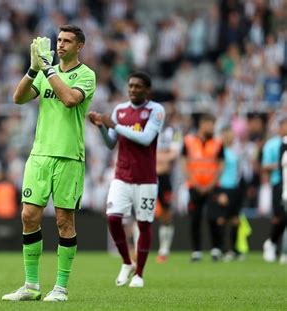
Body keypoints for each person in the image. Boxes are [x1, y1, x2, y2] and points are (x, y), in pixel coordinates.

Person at [2, 25, 96, 302]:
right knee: (28, 216)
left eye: (67, 41)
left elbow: (70, 99)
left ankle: (61, 288)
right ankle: (31, 285)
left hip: (69, 156)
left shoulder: (86, 75)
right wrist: (33, 69)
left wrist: (49, 70)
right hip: (40, 155)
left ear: (79, 46)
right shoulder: (45, 72)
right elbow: (18, 99)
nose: (61, 45)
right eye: (59, 40)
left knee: (64, 221)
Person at [88, 71, 166, 288]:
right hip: (122, 175)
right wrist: (101, 127)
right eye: (130, 86)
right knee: (113, 218)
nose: (132, 89)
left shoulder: (155, 110)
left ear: (147, 90)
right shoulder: (120, 110)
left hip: (146, 178)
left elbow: (146, 138)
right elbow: (111, 143)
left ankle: (139, 273)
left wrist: (113, 125)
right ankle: (126, 262)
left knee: (144, 223)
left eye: (138, 86)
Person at [182, 114, 224, 262]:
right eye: (210, 124)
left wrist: (211, 183)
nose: (212, 128)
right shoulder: (188, 141)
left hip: (212, 186)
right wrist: (194, 182)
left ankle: (216, 249)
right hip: (194, 186)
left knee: (214, 217)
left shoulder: (218, 142)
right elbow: (184, 163)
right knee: (195, 219)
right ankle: (196, 251)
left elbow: (221, 165)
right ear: (202, 124)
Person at [154, 103, 181, 263]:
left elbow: (173, 155)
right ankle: (138, 247)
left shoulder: (175, 132)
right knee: (142, 212)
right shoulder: (150, 130)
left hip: (165, 178)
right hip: (148, 176)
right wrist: (162, 155)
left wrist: (155, 156)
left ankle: (164, 248)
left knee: (166, 214)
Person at [217, 127, 242, 260]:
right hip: (224, 187)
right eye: (228, 135)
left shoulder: (235, 151)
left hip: (235, 188)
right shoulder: (220, 151)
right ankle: (221, 249)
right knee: (222, 219)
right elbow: (217, 171)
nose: (231, 137)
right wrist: (219, 191)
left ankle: (233, 249)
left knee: (235, 220)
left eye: (232, 135)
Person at [265, 117, 287, 262]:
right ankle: (272, 243)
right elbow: (267, 165)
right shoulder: (274, 144)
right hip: (279, 183)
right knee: (280, 217)